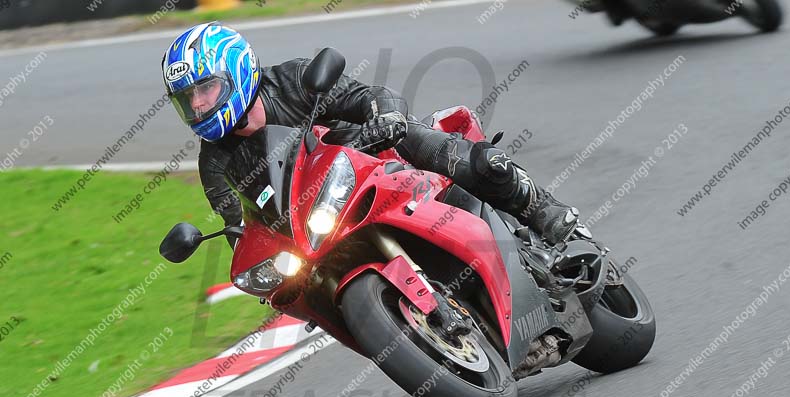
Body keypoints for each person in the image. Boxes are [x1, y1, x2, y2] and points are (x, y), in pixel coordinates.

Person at [162, 23, 580, 247]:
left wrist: (385, 119)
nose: (198, 105)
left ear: (235, 71)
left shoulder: (293, 80)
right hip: (322, 222)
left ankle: (540, 208)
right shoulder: (213, 163)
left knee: (419, 140)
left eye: (205, 89)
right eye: (188, 99)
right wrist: (246, 244)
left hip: (373, 161)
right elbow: (239, 226)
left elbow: (370, 96)